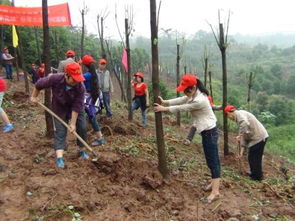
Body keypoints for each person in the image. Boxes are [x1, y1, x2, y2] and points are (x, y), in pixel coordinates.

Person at [153, 74, 221, 203]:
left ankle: (215, 192)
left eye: (186, 89)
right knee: (213, 160)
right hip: (208, 131)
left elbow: (182, 107)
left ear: (193, 87)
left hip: (210, 132)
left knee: (213, 162)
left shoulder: (200, 100)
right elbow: (182, 100)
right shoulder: (194, 94)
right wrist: (165, 101)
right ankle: (214, 183)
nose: (185, 92)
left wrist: (164, 108)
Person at [30, 62, 88, 169]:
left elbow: (77, 106)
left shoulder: (80, 86)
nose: (76, 82)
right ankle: (60, 157)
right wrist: (34, 96)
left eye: (78, 79)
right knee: (60, 131)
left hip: (77, 109)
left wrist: (73, 123)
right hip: (59, 108)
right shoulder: (55, 79)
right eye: (73, 79)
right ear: (66, 75)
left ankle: (81, 150)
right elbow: (39, 84)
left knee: (82, 127)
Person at [224, 105, 269, 181]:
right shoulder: (239, 117)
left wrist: (239, 135)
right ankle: (254, 173)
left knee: (255, 157)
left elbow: (244, 124)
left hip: (259, 137)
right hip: (255, 137)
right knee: (251, 156)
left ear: (229, 113)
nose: (229, 118)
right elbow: (245, 136)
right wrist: (241, 152)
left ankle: (257, 177)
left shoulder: (239, 116)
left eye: (228, 116)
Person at [81, 55, 105, 146]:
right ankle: (97, 137)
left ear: (84, 65)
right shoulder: (93, 73)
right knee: (90, 117)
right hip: (92, 98)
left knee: (92, 118)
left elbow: (78, 78)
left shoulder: (87, 75)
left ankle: (100, 138)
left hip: (89, 100)